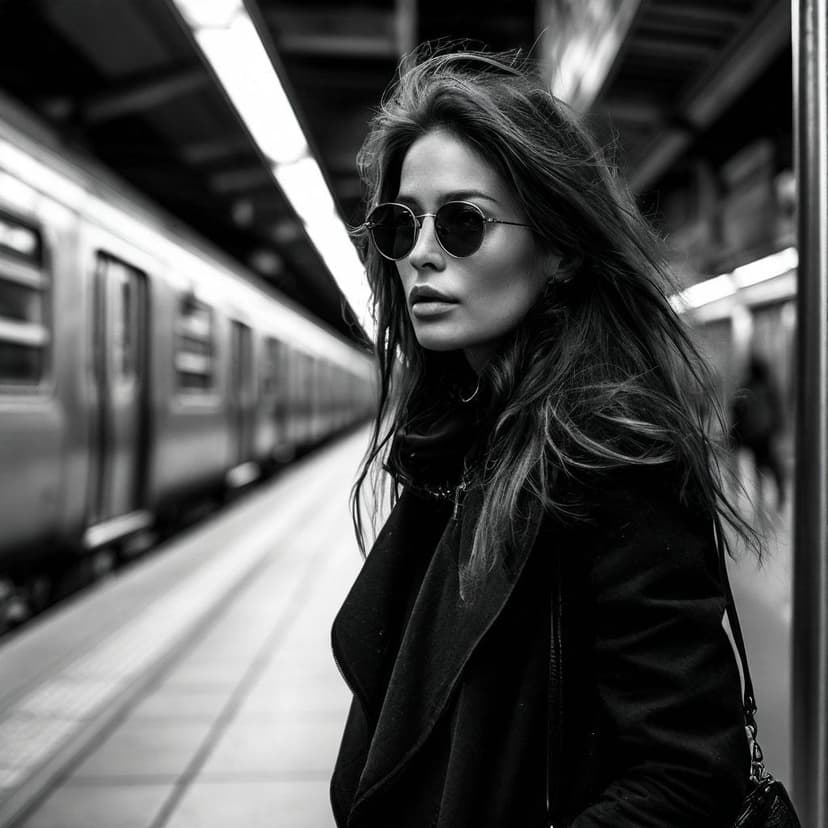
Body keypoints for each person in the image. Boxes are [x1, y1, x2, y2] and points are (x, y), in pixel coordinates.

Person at [331, 47, 752, 828]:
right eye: (401, 223)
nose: (420, 252)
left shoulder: (611, 457)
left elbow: (685, 777)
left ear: (557, 250)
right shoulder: (454, 442)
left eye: (462, 222)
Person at [730, 353, 787, 511]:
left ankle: (761, 498)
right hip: (765, 434)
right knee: (772, 466)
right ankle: (776, 496)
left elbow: (736, 411)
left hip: (751, 436)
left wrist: (735, 434)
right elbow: (777, 411)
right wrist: (777, 428)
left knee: (759, 466)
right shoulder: (769, 387)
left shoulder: (746, 387)